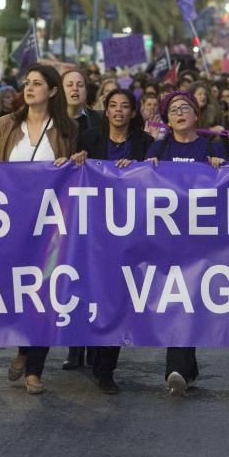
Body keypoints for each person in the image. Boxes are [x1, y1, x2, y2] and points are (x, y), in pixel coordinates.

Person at [0, 64, 76, 395]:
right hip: (12, 222)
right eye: (27, 83)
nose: (29, 88)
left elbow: (75, 170)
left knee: (44, 292)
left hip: (50, 224)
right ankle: (21, 346)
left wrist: (79, 161)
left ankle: (35, 368)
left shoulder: (66, 127)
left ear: (53, 91)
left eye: (37, 83)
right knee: (17, 290)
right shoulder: (6, 123)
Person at [66, 88, 154, 393]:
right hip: (91, 230)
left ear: (133, 112)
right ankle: (82, 348)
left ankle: (106, 368)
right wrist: (78, 161)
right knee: (90, 293)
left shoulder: (144, 143)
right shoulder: (89, 138)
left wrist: (143, 169)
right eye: (112, 106)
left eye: (124, 106)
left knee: (115, 298)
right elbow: (72, 174)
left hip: (126, 234)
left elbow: (156, 180)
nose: (118, 111)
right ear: (106, 110)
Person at [146, 90, 229, 397]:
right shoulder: (160, 146)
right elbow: (139, 182)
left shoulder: (210, 147)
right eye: (173, 110)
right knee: (174, 302)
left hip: (200, 241)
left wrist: (223, 164)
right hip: (166, 241)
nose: (179, 113)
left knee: (189, 301)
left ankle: (180, 368)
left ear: (196, 115)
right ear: (167, 119)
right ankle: (182, 369)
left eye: (185, 108)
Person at [63, 69, 103, 134]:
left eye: (80, 85)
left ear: (86, 91)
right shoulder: (51, 121)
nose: (75, 88)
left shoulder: (100, 119)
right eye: (69, 85)